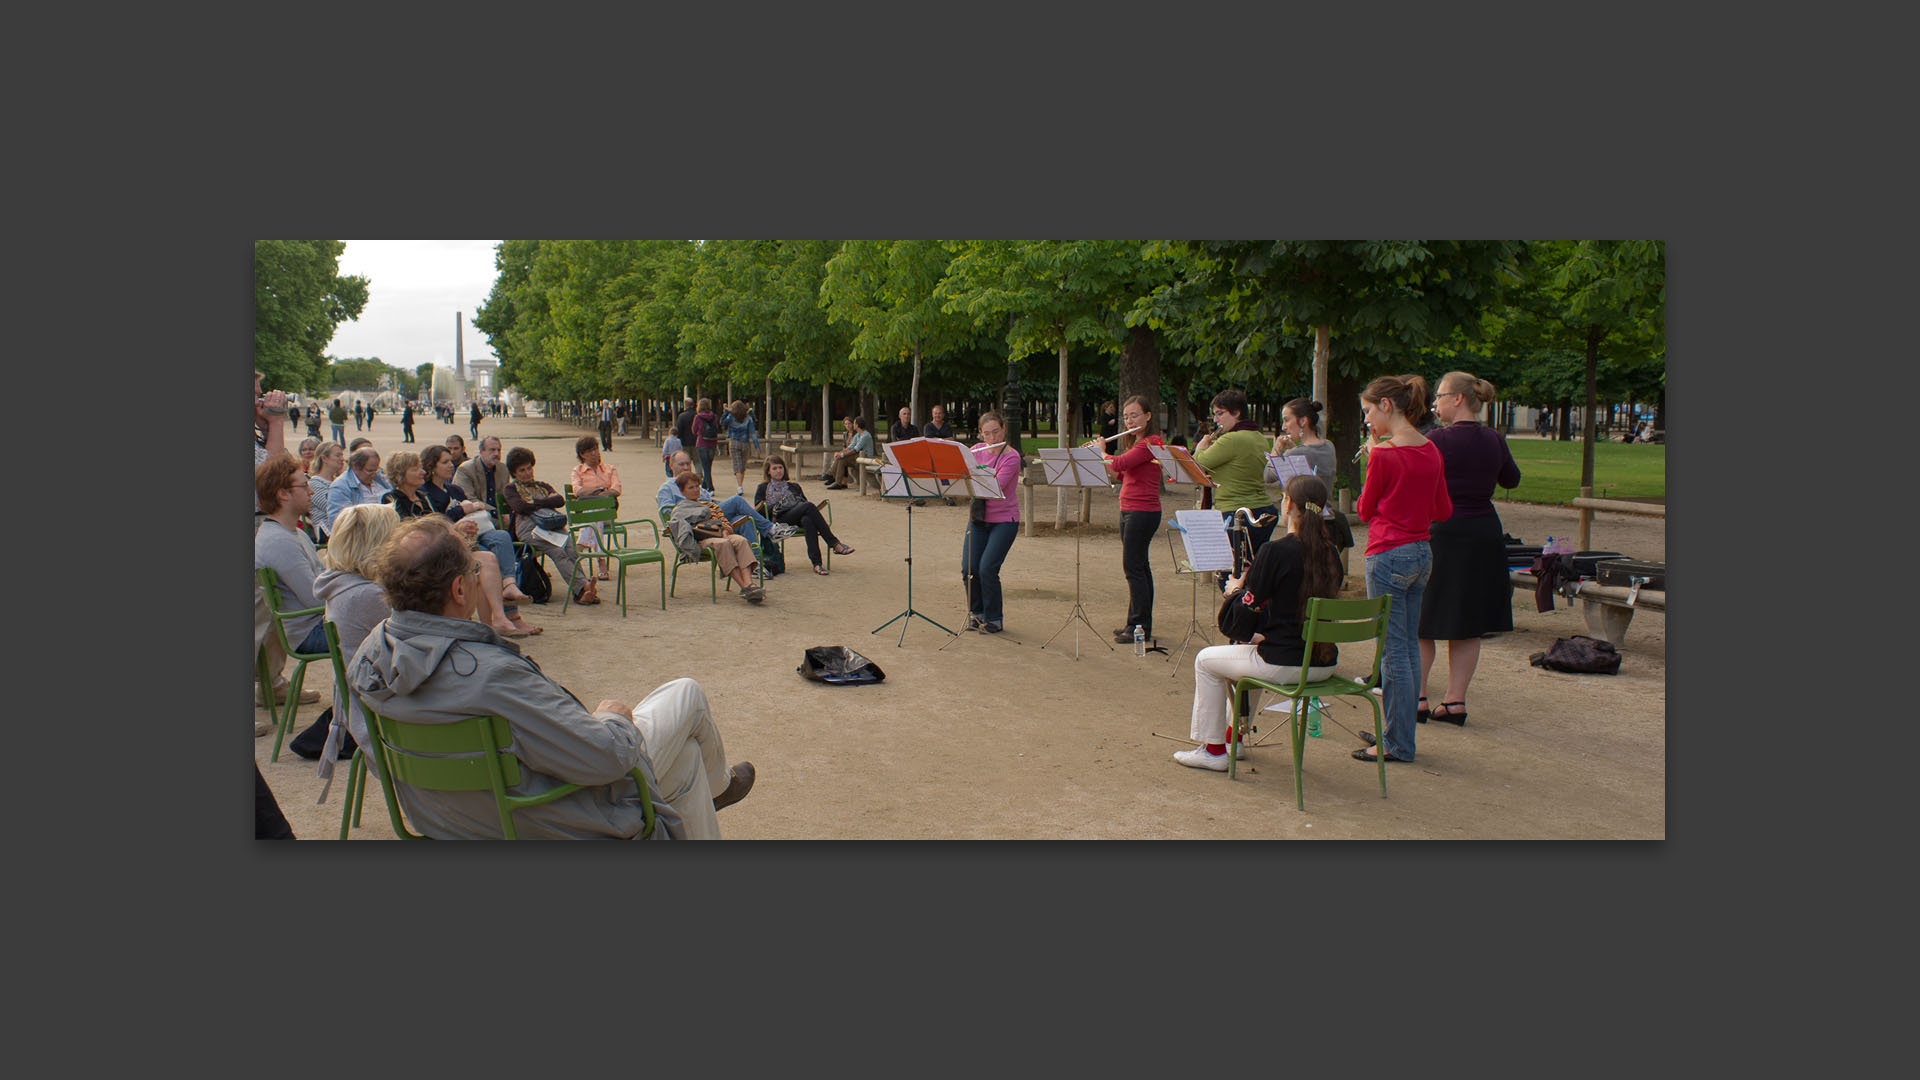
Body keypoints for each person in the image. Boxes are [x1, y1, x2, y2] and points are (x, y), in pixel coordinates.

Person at [346, 517, 756, 839]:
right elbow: (605, 759)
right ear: (458, 589)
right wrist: (612, 719)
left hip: (452, 819)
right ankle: (719, 786)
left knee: (685, 766)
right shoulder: (490, 675)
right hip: (540, 820)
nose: (478, 578)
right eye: (474, 570)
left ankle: (712, 787)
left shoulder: (368, 657)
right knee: (685, 693)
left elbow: (379, 760)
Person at [1175, 475, 1344, 771]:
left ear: (1288, 503)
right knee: (1249, 654)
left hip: (1288, 663)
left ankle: (1213, 750)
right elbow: (1297, 609)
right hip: (1323, 661)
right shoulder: (1331, 554)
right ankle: (1233, 738)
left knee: (1206, 661)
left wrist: (1236, 591)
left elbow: (1236, 625)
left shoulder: (1275, 551)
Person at [1351, 374, 1452, 766]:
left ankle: (1396, 742)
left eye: (1368, 412)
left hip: (1388, 551)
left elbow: (1363, 509)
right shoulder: (1430, 448)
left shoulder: (1384, 453)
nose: (1367, 421)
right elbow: (1443, 510)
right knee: (1406, 648)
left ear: (1386, 406)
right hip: (1420, 551)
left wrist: (1375, 457)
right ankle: (1398, 733)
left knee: (1394, 653)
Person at [1417, 371, 1521, 727]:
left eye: (1441, 395)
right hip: (1482, 532)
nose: (1436, 402)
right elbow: (1511, 479)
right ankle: (1455, 701)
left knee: (1425, 619)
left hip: (1441, 531)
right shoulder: (1494, 438)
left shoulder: (1435, 440)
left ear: (1458, 399)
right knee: (1468, 621)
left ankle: (1417, 697)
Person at [291, 502, 402, 762]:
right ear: (380, 543)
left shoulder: (345, 584)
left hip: (367, 699)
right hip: (381, 713)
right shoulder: (368, 595)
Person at [415, 443, 540, 637]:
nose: (451, 465)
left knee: (501, 537)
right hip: (455, 541)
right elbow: (434, 521)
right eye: (445, 462)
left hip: (476, 532)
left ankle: (509, 586)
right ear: (432, 466)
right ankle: (507, 616)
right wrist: (462, 512)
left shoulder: (454, 490)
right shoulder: (426, 492)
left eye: (451, 461)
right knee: (489, 559)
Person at [1087, 394, 1163, 645]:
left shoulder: (1150, 442)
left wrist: (1102, 452)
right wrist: (1099, 462)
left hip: (1142, 511)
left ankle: (1139, 626)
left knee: (1133, 568)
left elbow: (1119, 462)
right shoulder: (1137, 442)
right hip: (1130, 508)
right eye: (1126, 416)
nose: (1130, 421)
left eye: (1135, 415)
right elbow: (1121, 473)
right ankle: (1138, 622)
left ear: (1148, 416)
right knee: (1140, 567)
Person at [1193, 389, 1277, 585]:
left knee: (1229, 576)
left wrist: (1200, 448)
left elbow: (1198, 464)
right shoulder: (1258, 437)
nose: (1216, 420)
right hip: (1262, 508)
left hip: (1236, 512)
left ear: (1237, 412)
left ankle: (1237, 613)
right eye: (1214, 414)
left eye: (1220, 413)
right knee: (1252, 575)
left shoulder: (1232, 439)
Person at [504, 446, 601, 605]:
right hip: (530, 530)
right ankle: (583, 588)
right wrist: (545, 503)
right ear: (514, 473)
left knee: (570, 547)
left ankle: (582, 591)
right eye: (522, 470)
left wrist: (535, 502)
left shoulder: (541, 485)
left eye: (529, 468)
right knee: (558, 552)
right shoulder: (511, 489)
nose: (528, 472)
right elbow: (519, 507)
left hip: (550, 526)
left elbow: (559, 500)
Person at [255, 453, 330, 658]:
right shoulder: (278, 541)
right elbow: (315, 600)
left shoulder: (292, 533)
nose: (311, 491)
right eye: (304, 486)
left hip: (316, 624)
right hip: (310, 631)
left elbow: (321, 580)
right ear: (283, 494)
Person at [1269, 397, 1354, 570]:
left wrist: (1277, 449)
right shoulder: (1329, 446)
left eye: (1286, 420)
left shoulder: (1296, 452)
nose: (1284, 427)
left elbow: (1268, 476)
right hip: (1328, 520)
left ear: (1303, 421)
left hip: (1306, 524)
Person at [962, 411, 1021, 634]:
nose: (992, 438)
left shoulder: (1012, 456)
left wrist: (974, 477)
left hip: (1004, 520)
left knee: (987, 568)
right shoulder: (975, 451)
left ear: (1004, 430)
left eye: (996, 432)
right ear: (980, 434)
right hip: (978, 518)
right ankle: (976, 614)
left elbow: (996, 487)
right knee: (968, 568)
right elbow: (961, 474)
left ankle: (994, 618)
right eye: (987, 433)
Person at [667, 472, 766, 603]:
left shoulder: (710, 505)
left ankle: (749, 584)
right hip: (701, 540)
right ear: (682, 491)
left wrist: (725, 531)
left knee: (740, 540)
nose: (695, 490)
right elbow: (680, 530)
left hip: (721, 534)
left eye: (697, 486)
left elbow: (725, 522)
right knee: (722, 544)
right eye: (691, 487)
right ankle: (744, 587)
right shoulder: (679, 509)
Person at [656, 449, 775, 552]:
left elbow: (711, 501)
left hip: (714, 520)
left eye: (688, 463)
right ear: (671, 466)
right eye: (681, 464)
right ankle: (771, 529)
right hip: (697, 523)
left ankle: (756, 565)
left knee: (746, 520)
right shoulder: (667, 488)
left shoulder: (695, 483)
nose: (686, 467)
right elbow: (668, 513)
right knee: (736, 500)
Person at [755, 455, 853, 576]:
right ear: (768, 472)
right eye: (774, 468)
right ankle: (834, 543)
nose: (778, 471)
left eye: (780, 467)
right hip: (778, 520)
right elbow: (758, 511)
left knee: (808, 520)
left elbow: (803, 503)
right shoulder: (763, 488)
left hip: (796, 516)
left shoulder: (793, 486)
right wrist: (777, 504)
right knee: (809, 506)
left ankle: (817, 564)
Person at [570, 434, 622, 580]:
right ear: (582, 454)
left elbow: (616, 490)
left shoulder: (609, 469)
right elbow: (578, 491)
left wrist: (593, 494)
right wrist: (601, 491)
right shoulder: (577, 471)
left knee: (596, 509)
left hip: (607, 511)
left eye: (596, 449)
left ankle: (580, 546)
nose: (595, 453)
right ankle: (601, 561)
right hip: (590, 513)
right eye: (590, 451)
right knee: (595, 512)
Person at [324, 446, 391, 533]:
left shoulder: (380, 479)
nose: (374, 474)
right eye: (369, 471)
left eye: (376, 470)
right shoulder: (340, 487)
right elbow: (340, 523)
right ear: (355, 467)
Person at [455, 435, 511, 516]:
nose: (497, 453)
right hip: (475, 514)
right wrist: (495, 512)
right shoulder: (466, 469)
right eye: (492, 450)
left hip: (500, 515)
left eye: (499, 450)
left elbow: (505, 497)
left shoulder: (503, 469)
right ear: (481, 452)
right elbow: (469, 499)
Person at [307, 440, 346, 540]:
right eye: (337, 455)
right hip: (326, 529)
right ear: (324, 458)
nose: (342, 459)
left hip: (342, 526)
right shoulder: (314, 484)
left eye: (342, 455)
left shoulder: (337, 482)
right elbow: (333, 507)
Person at [824, 416, 872, 489]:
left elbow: (855, 449)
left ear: (857, 425)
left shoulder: (865, 436)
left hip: (866, 458)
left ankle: (832, 476)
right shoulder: (858, 435)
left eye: (854, 423)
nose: (853, 425)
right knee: (841, 459)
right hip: (859, 457)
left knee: (843, 458)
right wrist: (839, 453)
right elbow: (850, 447)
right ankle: (836, 480)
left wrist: (842, 454)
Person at [723, 400, 759, 496]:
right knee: (742, 465)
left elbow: (722, 422)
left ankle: (739, 486)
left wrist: (725, 411)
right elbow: (753, 434)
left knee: (737, 464)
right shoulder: (748, 419)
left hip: (734, 442)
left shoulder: (731, 418)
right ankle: (740, 484)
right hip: (745, 443)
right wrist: (757, 447)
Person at [691, 397, 720, 492]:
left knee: (705, 466)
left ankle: (711, 487)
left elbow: (694, 430)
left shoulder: (698, 417)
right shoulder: (714, 416)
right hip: (712, 443)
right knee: (708, 466)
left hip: (702, 443)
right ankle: (704, 486)